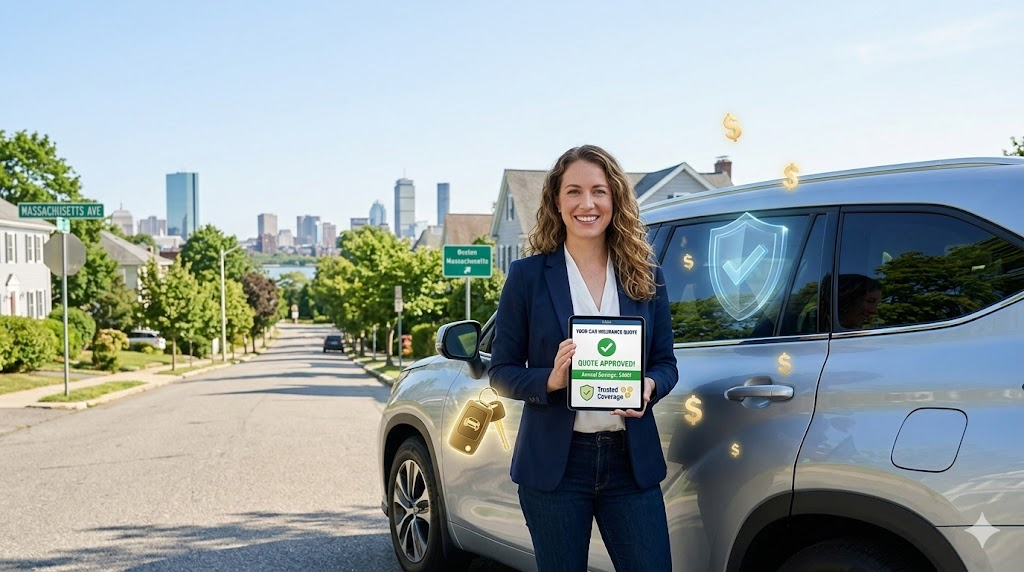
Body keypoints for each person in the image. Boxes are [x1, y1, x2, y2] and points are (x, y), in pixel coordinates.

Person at [489, 145, 678, 571]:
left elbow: (666, 364)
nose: (587, 204)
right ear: (557, 201)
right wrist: (550, 380)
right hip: (557, 466)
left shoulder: (645, 274)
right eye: (574, 191)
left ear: (615, 200)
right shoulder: (527, 276)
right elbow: (500, 372)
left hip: (630, 464)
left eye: (599, 191)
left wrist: (649, 386)